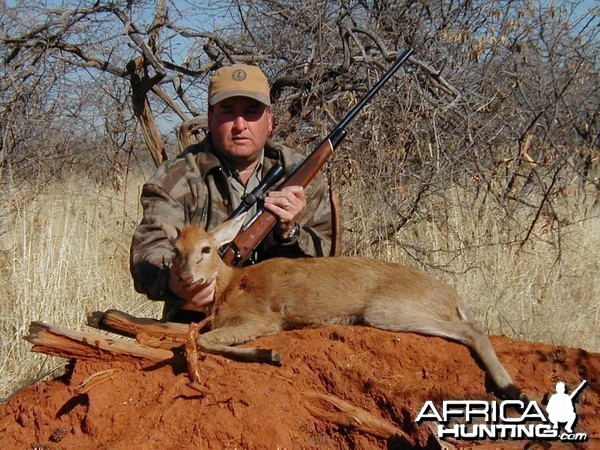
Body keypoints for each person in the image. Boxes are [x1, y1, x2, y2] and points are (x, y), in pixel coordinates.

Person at [130, 64, 332, 322]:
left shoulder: (300, 174)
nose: (240, 125)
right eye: (228, 112)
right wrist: (175, 280)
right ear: (210, 118)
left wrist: (289, 233)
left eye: (251, 113)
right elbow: (149, 249)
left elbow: (329, 257)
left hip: (288, 316)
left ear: (270, 120)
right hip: (202, 321)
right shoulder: (176, 177)